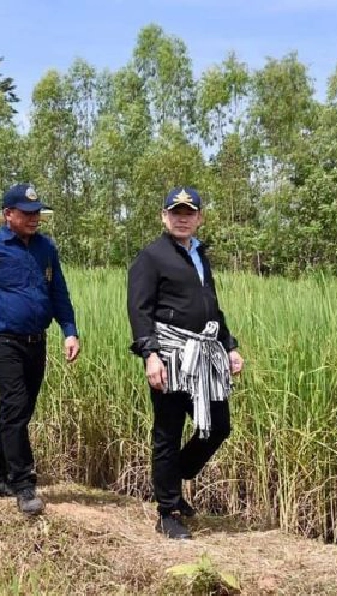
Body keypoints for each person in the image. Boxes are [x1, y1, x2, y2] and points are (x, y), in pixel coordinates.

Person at [126, 187, 245, 540]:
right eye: (175, 212)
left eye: (188, 212)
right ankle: (168, 511)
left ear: (199, 218)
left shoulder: (199, 255)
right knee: (168, 430)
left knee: (218, 426)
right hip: (170, 355)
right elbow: (139, 309)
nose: (182, 218)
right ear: (164, 217)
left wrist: (230, 345)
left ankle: (172, 477)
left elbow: (212, 308)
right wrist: (150, 354)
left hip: (205, 353)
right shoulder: (151, 257)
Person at [0, 183, 80, 516]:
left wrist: (69, 331)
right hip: (1, 342)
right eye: (27, 213)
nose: (34, 218)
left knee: (17, 411)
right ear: (8, 214)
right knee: (14, 406)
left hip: (35, 342)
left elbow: (59, 293)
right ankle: (23, 483)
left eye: (37, 213)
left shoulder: (46, 248)